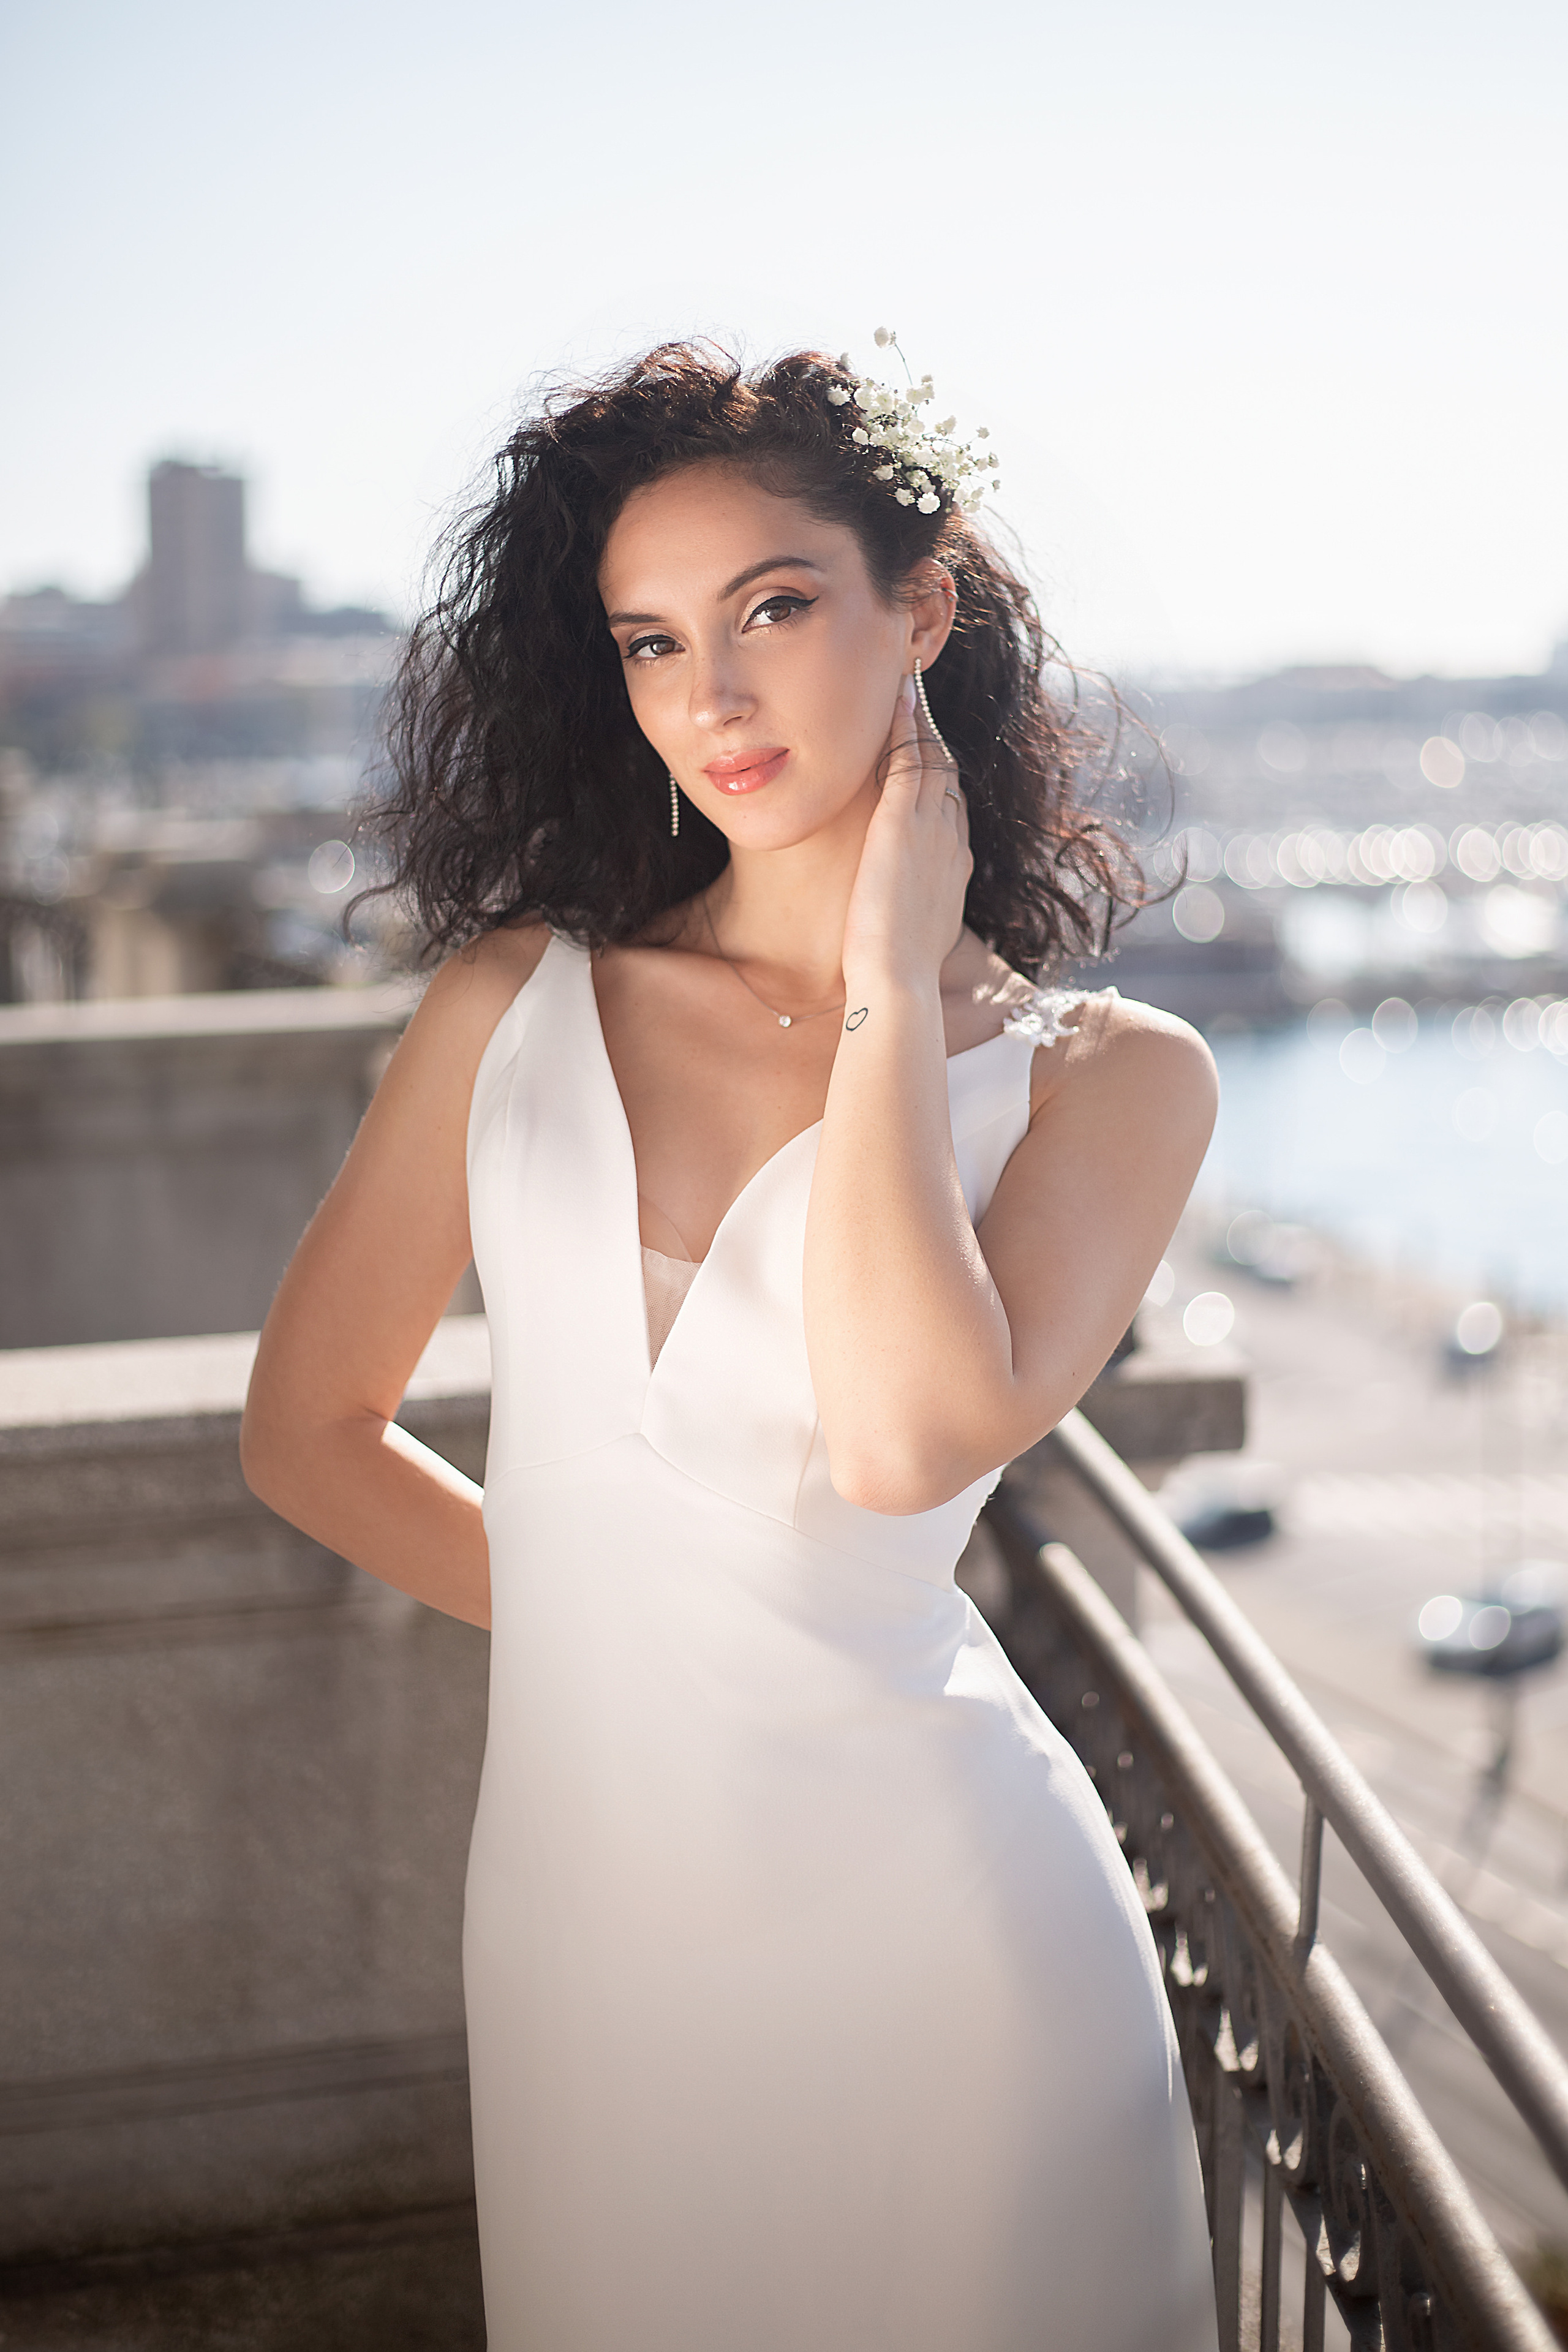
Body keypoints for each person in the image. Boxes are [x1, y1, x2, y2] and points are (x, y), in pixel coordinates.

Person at [241, 339, 1220, 2352]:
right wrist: (637, 1628)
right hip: (590, 1952)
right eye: (650, 639)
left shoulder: (1112, 1085)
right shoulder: (513, 1002)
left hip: (955, 1953)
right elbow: (310, 1430)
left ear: (920, 608)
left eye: (775, 607)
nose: (712, 694)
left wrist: (884, 982)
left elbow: (903, 1442)